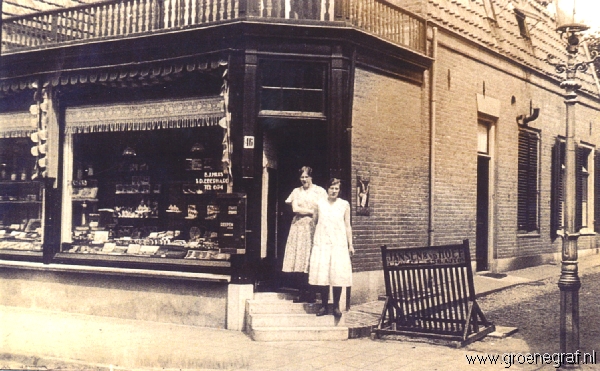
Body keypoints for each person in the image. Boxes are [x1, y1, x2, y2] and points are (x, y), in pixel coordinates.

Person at [308, 178, 354, 318]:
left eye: (336, 189)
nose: (334, 191)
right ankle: (323, 306)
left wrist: (350, 244)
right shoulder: (319, 203)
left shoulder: (344, 205)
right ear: (327, 188)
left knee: (337, 273)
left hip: (338, 243)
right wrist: (313, 242)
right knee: (323, 274)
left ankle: (336, 307)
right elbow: (314, 223)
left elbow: (347, 225)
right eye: (331, 188)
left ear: (339, 190)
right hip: (322, 243)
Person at [282, 166, 327, 302]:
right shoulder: (296, 191)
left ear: (311, 177)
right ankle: (302, 292)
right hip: (298, 228)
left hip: (313, 227)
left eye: (306, 177)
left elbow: (324, 209)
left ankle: (312, 293)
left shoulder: (320, 191)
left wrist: (307, 211)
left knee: (310, 258)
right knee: (299, 258)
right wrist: (312, 211)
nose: (303, 179)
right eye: (301, 177)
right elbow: (295, 209)